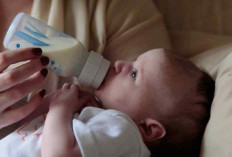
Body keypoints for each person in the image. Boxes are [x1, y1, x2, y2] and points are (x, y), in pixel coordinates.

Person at [0, 48, 215, 157]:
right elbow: (34, 127)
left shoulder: (125, 132)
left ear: (148, 128)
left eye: (134, 74)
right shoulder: (104, 124)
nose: (120, 63)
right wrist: (54, 103)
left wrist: (61, 108)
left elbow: (57, 154)